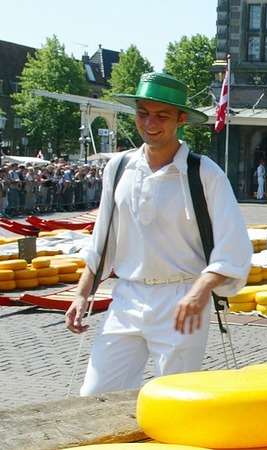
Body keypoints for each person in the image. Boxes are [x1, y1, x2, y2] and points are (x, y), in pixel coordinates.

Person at [64, 72, 252, 396]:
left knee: (173, 400)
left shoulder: (204, 173)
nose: (150, 123)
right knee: (95, 396)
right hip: (127, 296)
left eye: (161, 115)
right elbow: (102, 240)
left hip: (181, 299)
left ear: (181, 119)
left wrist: (201, 289)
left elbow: (234, 244)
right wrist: (82, 293)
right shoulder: (118, 167)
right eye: (143, 113)